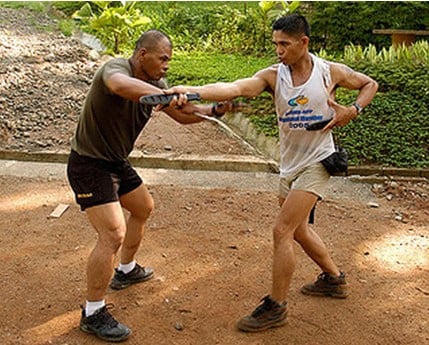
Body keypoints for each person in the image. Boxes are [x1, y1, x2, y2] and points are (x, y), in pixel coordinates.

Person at [165, 14, 378, 332]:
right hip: (289, 165)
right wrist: (192, 90)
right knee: (300, 229)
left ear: (303, 43)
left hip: (319, 161)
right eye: (275, 43)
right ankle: (334, 279)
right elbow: (235, 87)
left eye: (285, 44)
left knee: (282, 231)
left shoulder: (328, 72)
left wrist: (353, 110)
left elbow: (369, 84)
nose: (278, 50)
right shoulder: (272, 76)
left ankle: (276, 306)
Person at [66, 29, 236, 342]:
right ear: (142, 54)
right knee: (112, 233)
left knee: (143, 208)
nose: (167, 66)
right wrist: (163, 95)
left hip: (115, 161)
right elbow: (120, 86)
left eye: (169, 60)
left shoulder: (157, 85)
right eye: (163, 59)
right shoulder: (115, 70)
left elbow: (183, 115)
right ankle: (92, 312)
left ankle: (126, 270)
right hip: (89, 164)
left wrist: (215, 110)